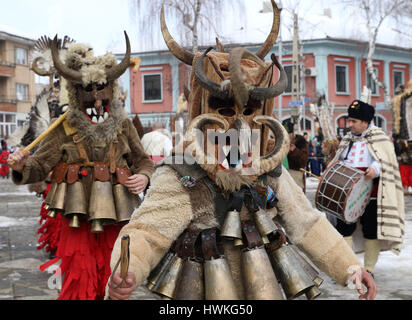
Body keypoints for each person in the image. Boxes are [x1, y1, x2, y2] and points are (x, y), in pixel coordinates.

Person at [107, 1, 376, 301]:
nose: (236, 122)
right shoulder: (183, 170)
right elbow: (148, 229)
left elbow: (306, 223)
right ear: (201, 110)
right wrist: (126, 268)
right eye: (223, 109)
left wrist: (350, 268)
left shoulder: (268, 169)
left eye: (248, 110)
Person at [8, 33, 154, 300]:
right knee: (80, 280)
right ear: (76, 95)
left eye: (102, 89)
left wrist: (144, 176)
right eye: (88, 91)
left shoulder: (123, 126)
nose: (97, 99)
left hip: (116, 215)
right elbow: (39, 166)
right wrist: (22, 165)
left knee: (116, 279)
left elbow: (143, 160)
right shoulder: (63, 127)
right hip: (76, 220)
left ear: (113, 91)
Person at [330, 100, 405, 277]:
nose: (350, 125)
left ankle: (369, 269)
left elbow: (385, 162)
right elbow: (339, 160)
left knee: (370, 231)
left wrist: (375, 169)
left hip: (370, 193)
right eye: (349, 121)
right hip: (346, 193)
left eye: (353, 121)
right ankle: (351, 268)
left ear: (365, 122)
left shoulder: (380, 138)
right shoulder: (347, 139)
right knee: (343, 229)